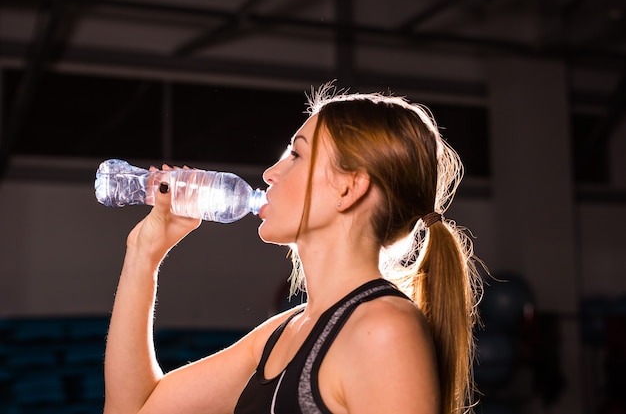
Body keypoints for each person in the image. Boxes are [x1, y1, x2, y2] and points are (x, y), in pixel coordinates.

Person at [103, 85, 483, 414]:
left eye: (296, 155)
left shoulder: (383, 331)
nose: (270, 173)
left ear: (348, 189)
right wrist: (143, 253)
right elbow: (132, 409)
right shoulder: (281, 333)